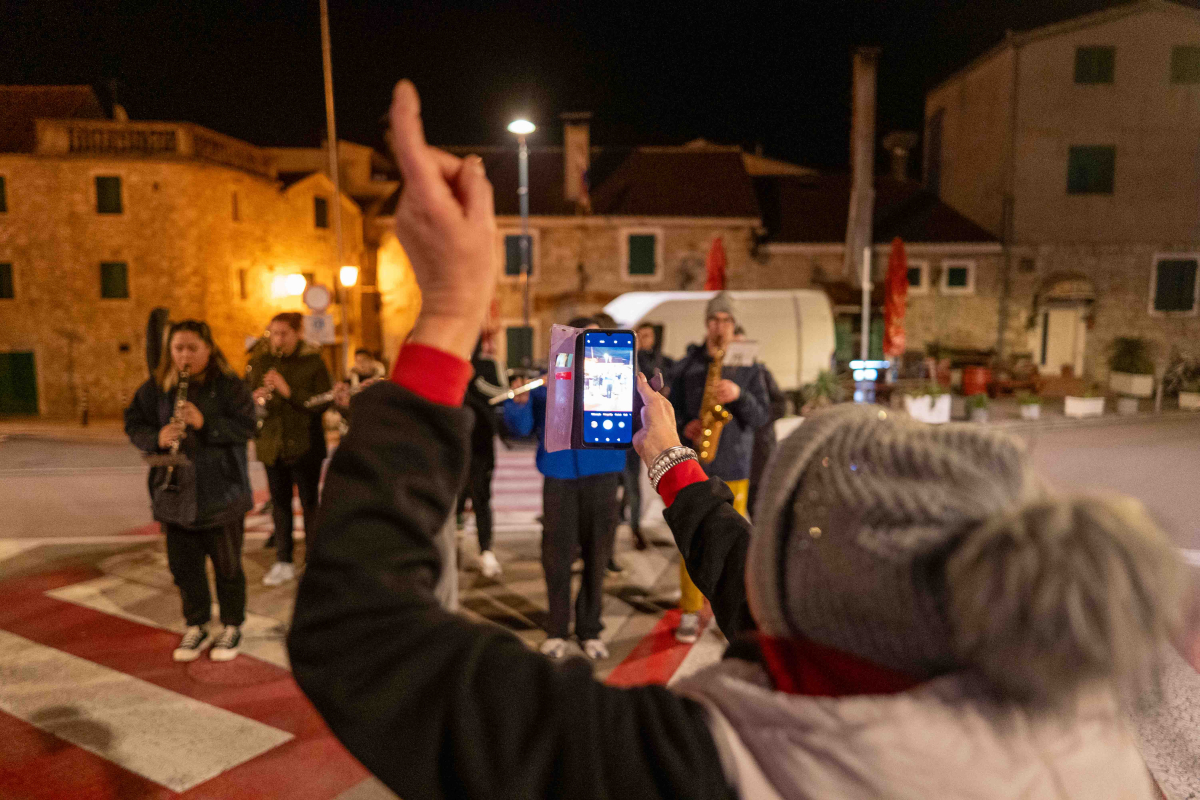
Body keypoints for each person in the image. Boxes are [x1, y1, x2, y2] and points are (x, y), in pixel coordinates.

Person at [288, 82, 1184, 800]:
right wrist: (671, 459)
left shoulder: (718, 765)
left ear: (804, 610)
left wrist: (446, 314)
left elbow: (361, 638)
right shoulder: (1075, 716)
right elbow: (752, 581)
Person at [125, 319, 257, 662]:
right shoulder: (157, 387)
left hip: (221, 492)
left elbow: (247, 427)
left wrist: (205, 423)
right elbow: (134, 421)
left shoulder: (228, 385)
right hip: (175, 491)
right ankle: (196, 625)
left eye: (192, 348)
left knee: (227, 566)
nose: (184, 355)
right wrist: (156, 437)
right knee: (185, 568)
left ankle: (231, 625)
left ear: (208, 349)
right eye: (178, 348)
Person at [501, 315, 625, 660]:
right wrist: (520, 402)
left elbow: (635, 416)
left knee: (597, 556)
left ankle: (589, 629)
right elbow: (522, 427)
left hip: (603, 473)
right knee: (555, 557)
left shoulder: (615, 378)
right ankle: (557, 628)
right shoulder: (552, 382)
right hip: (559, 477)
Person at [668, 292, 770, 642]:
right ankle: (690, 611)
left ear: (734, 324)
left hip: (735, 465)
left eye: (726, 320)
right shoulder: (690, 365)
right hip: (698, 465)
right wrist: (685, 426)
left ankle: (729, 608)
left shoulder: (748, 365)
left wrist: (740, 394)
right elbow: (675, 408)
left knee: (735, 541)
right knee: (691, 539)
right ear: (706, 324)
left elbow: (761, 416)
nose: (719, 326)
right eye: (714, 320)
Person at [246, 312, 332, 587]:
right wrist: (257, 399)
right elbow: (247, 401)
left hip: (305, 444)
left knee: (309, 504)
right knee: (280, 504)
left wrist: (288, 391)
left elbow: (321, 403)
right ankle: (284, 560)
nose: (278, 339)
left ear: (298, 333)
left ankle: (313, 560)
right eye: (273, 333)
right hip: (272, 444)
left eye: (284, 333)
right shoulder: (260, 362)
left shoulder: (313, 362)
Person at [621, 321, 674, 550]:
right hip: (629, 431)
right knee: (630, 486)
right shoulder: (628, 362)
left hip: (650, 427)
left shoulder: (664, 362)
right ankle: (634, 528)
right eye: (640, 336)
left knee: (633, 486)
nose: (644, 340)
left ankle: (632, 524)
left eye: (648, 335)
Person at [459, 337, 504, 578]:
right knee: (451, 500)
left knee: (481, 498)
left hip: (480, 445)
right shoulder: (448, 362)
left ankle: (485, 549)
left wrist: (473, 378)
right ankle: (451, 544)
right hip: (451, 444)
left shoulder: (489, 366)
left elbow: (502, 393)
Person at [734, 325, 787, 518]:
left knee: (758, 509)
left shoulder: (761, 373)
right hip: (736, 454)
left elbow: (781, 406)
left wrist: (757, 417)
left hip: (759, 450)